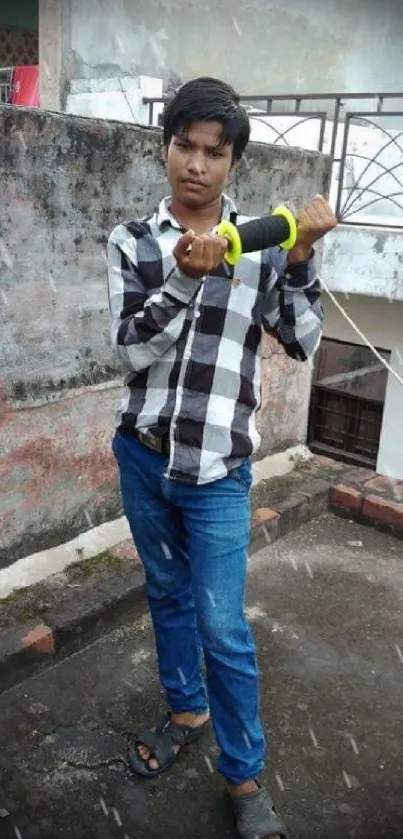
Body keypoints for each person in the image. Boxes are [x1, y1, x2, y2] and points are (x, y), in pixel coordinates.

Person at [107, 76, 337, 839]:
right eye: (184, 146)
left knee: (222, 625)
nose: (196, 164)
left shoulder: (260, 243)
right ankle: (185, 709)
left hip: (216, 473)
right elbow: (131, 349)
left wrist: (299, 254)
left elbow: (301, 339)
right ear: (165, 145)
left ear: (233, 161)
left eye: (214, 152)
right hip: (143, 456)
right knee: (166, 595)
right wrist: (184, 275)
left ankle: (241, 775)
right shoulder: (133, 241)